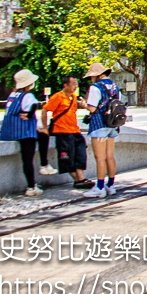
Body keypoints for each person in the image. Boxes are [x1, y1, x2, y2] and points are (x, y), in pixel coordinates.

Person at [42, 75, 94, 190]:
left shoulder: (74, 97)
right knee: (67, 158)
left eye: (76, 84)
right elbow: (45, 110)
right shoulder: (58, 97)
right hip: (62, 131)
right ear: (65, 85)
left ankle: (81, 179)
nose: (75, 86)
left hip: (75, 130)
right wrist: (45, 128)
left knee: (80, 154)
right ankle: (78, 180)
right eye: (73, 84)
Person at [0, 69, 43, 196]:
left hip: (9, 131)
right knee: (28, 159)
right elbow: (34, 106)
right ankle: (31, 186)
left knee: (27, 159)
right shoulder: (28, 96)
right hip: (25, 131)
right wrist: (29, 115)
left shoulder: (13, 95)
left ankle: (32, 184)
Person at [79, 62, 121, 199]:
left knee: (100, 158)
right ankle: (111, 185)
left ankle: (100, 187)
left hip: (99, 125)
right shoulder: (115, 86)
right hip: (112, 124)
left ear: (96, 76)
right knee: (110, 156)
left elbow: (92, 108)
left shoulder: (96, 87)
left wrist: (84, 104)